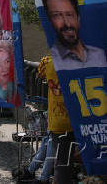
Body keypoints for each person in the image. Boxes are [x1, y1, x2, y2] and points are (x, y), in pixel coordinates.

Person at [41, 0, 107, 70]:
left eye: (69, 15)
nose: (67, 24)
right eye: (57, 15)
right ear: (49, 20)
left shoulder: (99, 54)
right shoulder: (50, 64)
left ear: (78, 17)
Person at [38, 55, 78, 183]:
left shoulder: (48, 62)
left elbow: (40, 73)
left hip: (58, 122)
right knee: (73, 162)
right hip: (79, 121)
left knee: (61, 163)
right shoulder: (83, 61)